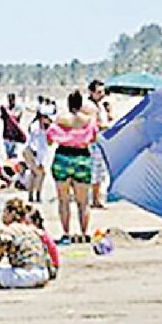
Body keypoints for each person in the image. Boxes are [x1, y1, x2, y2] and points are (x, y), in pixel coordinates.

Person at [47, 91, 99, 244]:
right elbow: (93, 138)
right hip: (81, 157)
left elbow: (50, 139)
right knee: (83, 201)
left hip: (62, 157)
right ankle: (84, 233)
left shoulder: (60, 119)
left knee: (63, 200)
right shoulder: (88, 120)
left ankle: (66, 233)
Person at [0, 198, 50, 289]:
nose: (2, 216)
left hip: (27, 274)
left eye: (5, 212)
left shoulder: (8, 230)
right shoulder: (31, 229)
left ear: (12, 213)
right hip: (44, 274)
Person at [84, 79, 113, 209]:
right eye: (99, 92)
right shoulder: (89, 106)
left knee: (100, 172)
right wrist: (105, 126)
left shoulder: (100, 105)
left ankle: (96, 199)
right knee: (94, 172)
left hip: (100, 142)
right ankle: (92, 200)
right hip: (93, 143)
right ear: (91, 92)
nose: (102, 94)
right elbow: (91, 124)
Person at [23, 108, 51, 203]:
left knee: (35, 174)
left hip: (36, 153)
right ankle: (36, 195)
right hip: (32, 152)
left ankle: (33, 195)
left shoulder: (44, 127)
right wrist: (38, 161)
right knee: (40, 174)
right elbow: (36, 144)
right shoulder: (36, 127)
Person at [0, 93, 26, 159]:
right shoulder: (6, 108)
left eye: (11, 100)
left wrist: (7, 111)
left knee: (14, 155)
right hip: (6, 134)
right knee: (8, 155)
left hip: (15, 135)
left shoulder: (18, 108)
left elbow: (15, 116)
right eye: (9, 100)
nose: (10, 101)